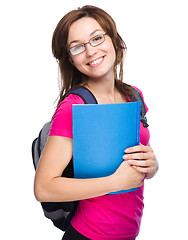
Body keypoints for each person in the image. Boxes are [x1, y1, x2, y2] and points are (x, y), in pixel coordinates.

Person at [34, 5, 159, 240]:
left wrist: (152, 166)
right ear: (71, 59)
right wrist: (115, 182)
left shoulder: (134, 96)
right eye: (78, 47)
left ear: (113, 40)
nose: (91, 51)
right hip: (89, 235)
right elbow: (43, 187)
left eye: (97, 38)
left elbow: (135, 166)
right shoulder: (74, 108)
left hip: (128, 233)